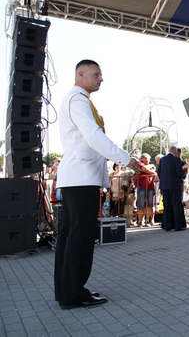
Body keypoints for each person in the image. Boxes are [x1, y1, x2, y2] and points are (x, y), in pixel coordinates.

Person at [54, 59, 139, 310]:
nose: (101, 79)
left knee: (70, 234)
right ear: (80, 75)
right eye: (96, 74)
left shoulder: (79, 99)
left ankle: (66, 289)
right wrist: (125, 159)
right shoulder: (78, 100)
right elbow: (93, 136)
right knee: (80, 236)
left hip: (77, 177)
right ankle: (74, 293)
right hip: (82, 177)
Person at [157, 145, 188, 231]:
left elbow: (159, 172)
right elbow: (179, 173)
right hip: (175, 185)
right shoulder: (176, 159)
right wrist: (184, 174)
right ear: (175, 152)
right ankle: (178, 226)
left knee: (167, 206)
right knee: (176, 205)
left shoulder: (162, 160)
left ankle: (167, 226)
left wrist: (163, 181)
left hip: (164, 186)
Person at [137, 153, 157, 227]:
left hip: (150, 186)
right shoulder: (139, 163)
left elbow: (153, 172)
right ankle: (140, 220)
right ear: (143, 158)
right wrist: (151, 166)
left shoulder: (149, 166)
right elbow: (145, 169)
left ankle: (148, 220)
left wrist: (148, 170)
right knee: (141, 203)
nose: (148, 160)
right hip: (141, 186)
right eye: (148, 159)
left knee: (150, 204)